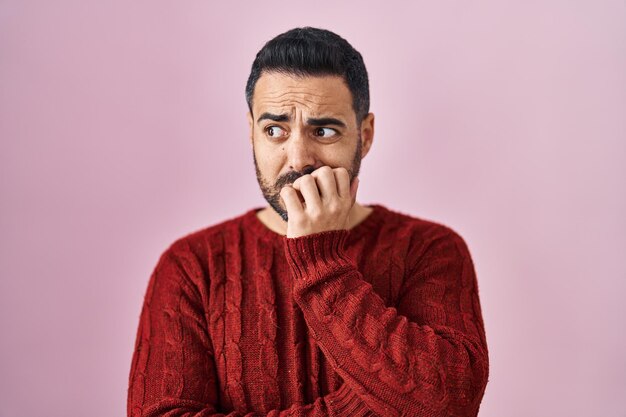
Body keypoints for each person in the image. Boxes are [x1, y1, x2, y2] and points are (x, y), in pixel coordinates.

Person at [127, 26, 489, 417]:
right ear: (252, 134)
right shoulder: (192, 265)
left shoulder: (430, 249)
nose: (298, 157)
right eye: (275, 130)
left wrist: (319, 259)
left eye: (324, 130)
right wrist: (377, 401)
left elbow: (449, 403)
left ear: (364, 137)